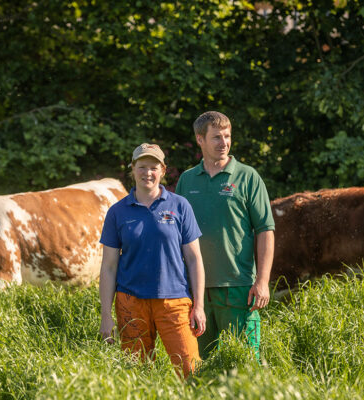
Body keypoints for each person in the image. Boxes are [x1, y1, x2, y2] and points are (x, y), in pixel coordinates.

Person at [99, 143, 206, 379]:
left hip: (175, 300)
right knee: (136, 374)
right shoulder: (118, 211)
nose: (148, 172)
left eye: (153, 167)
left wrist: (198, 306)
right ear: (133, 169)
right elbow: (108, 267)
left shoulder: (180, 206)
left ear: (163, 170)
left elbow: (194, 259)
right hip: (131, 301)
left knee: (191, 371)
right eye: (142, 167)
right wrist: (106, 315)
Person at [175, 111, 275, 361]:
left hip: (238, 287)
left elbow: (265, 230)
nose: (224, 143)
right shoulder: (187, 181)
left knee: (245, 361)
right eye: (216, 137)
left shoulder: (248, 176)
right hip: (195, 290)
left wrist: (262, 281)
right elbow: (176, 235)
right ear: (200, 140)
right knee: (198, 365)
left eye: (227, 136)